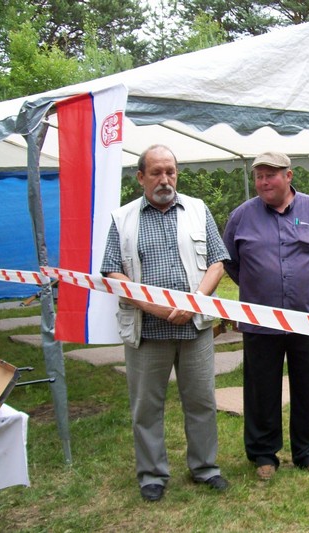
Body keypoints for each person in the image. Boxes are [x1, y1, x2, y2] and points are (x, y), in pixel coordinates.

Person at [101, 144, 230, 502]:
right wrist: (155, 307)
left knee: (202, 401)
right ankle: (152, 475)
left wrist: (194, 302)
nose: (164, 179)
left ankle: (206, 468)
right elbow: (113, 272)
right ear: (141, 177)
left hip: (195, 327)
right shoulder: (122, 218)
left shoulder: (198, 209)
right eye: (156, 172)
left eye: (170, 171)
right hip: (147, 331)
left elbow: (218, 262)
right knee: (146, 407)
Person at [223, 151, 309, 481]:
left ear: (288, 176)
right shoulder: (242, 216)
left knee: (306, 385)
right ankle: (264, 453)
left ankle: (308, 451)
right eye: (259, 176)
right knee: (261, 387)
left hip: (307, 318)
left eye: (270, 175)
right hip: (260, 321)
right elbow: (230, 261)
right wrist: (258, 287)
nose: (263, 182)